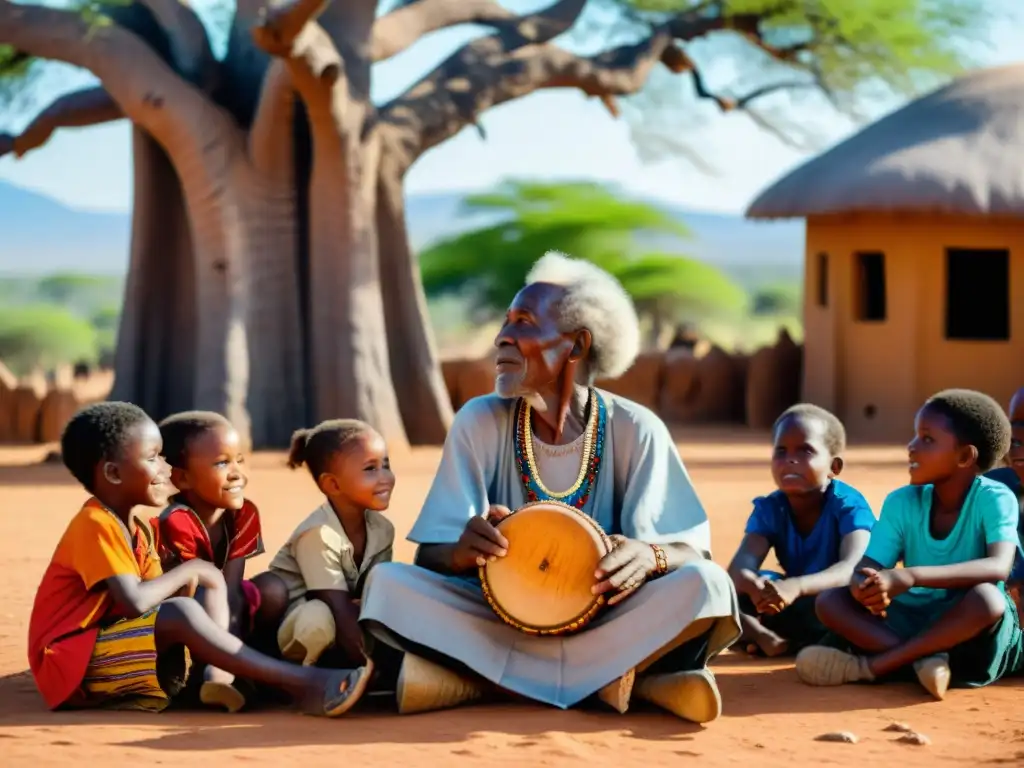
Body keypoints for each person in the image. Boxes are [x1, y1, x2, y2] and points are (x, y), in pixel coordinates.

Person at [359, 251, 741, 724]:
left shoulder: (636, 428)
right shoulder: (478, 421)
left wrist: (651, 556)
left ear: (576, 346)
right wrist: (463, 550)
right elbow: (430, 558)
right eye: (505, 322)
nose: (502, 337)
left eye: (523, 322)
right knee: (388, 585)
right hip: (497, 620)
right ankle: (626, 684)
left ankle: (467, 684)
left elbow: (693, 554)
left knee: (709, 586)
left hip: (608, 621)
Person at [27, 402, 372, 716]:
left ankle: (237, 677)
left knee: (201, 603)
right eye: (153, 458)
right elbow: (135, 602)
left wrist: (202, 589)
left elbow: (155, 602)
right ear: (114, 474)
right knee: (185, 609)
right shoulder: (95, 524)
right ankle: (304, 684)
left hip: (113, 651)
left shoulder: (138, 529)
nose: (165, 468)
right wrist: (196, 569)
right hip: (71, 665)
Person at [796, 389, 1024, 700]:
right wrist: (867, 586)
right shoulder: (901, 501)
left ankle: (872, 667)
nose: (911, 447)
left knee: (988, 600)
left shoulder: (995, 498)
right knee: (830, 601)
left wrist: (911, 576)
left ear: (964, 457)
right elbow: (867, 566)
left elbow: (998, 567)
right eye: (915, 437)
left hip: (968, 627)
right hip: (914, 617)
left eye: (927, 439)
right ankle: (922, 661)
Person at [728, 404, 875, 657]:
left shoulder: (849, 505)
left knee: (841, 602)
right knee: (724, 593)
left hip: (830, 601)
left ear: (834, 467)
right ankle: (767, 637)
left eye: (805, 450)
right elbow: (739, 568)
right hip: (791, 602)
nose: (790, 460)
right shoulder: (771, 507)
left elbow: (852, 568)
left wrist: (795, 587)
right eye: (781, 451)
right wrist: (757, 588)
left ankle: (765, 637)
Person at [268, 420, 396, 671]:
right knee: (318, 618)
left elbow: (375, 595)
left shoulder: (382, 530)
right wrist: (369, 668)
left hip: (345, 620)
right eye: (370, 469)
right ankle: (304, 679)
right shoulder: (319, 534)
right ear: (333, 485)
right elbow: (336, 605)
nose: (385, 478)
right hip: (297, 630)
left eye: (386, 465)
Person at [154, 411, 288, 643]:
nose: (237, 474)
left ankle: (253, 655)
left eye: (240, 460)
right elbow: (200, 591)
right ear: (182, 478)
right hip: (183, 611)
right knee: (206, 595)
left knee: (273, 588)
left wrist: (234, 644)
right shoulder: (176, 521)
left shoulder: (243, 514)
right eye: (222, 463)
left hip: (223, 600)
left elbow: (231, 588)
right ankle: (214, 667)